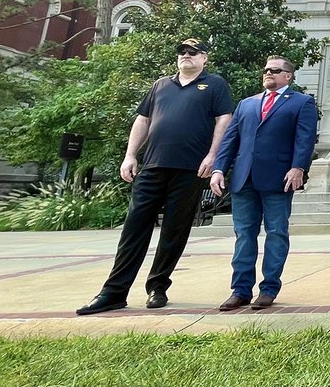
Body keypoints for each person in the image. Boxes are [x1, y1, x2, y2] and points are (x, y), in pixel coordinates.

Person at [76, 37, 233, 315]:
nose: (186, 56)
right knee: (134, 228)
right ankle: (114, 292)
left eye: (193, 52)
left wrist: (213, 156)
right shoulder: (161, 85)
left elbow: (224, 119)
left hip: (190, 169)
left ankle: (157, 286)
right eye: (182, 52)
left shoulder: (215, 84)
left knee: (175, 230)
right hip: (152, 166)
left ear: (204, 58)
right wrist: (130, 155)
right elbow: (143, 120)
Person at [210, 55, 318, 311]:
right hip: (243, 179)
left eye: (275, 70)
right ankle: (240, 290)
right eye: (266, 70)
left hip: (278, 178)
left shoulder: (301, 102)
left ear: (288, 76)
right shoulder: (247, 104)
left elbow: (305, 138)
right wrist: (218, 170)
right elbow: (230, 140)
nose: (268, 73)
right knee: (244, 234)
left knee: (277, 233)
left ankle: (268, 288)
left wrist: (298, 167)